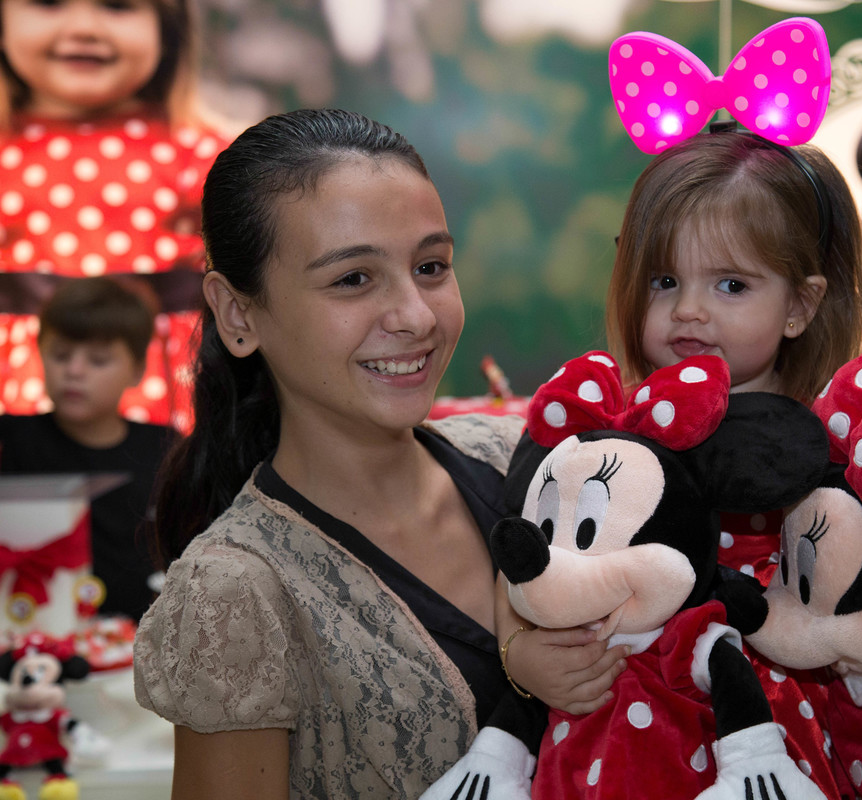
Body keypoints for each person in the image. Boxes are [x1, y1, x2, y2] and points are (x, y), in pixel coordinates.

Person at [132, 108, 625, 800]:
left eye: (430, 267)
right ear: (238, 314)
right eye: (353, 280)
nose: (417, 316)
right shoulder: (236, 594)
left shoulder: (521, 460)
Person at [601, 130, 862, 791]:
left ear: (799, 305)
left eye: (731, 284)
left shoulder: (838, 425)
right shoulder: (622, 434)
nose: (689, 310)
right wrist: (523, 651)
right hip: (661, 705)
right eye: (664, 281)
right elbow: (543, 544)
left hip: (809, 715)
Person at [0, 0, 232, 428]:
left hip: (174, 398)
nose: (84, 26)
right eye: (49, 3)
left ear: (168, 27)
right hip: (21, 398)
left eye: (117, 6)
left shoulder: (212, 155)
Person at [0, 275, 177, 621]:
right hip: (31, 631)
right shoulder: (11, 438)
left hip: (140, 636)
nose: (75, 371)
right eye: (61, 355)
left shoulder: (165, 446)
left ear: (138, 370)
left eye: (98, 360)